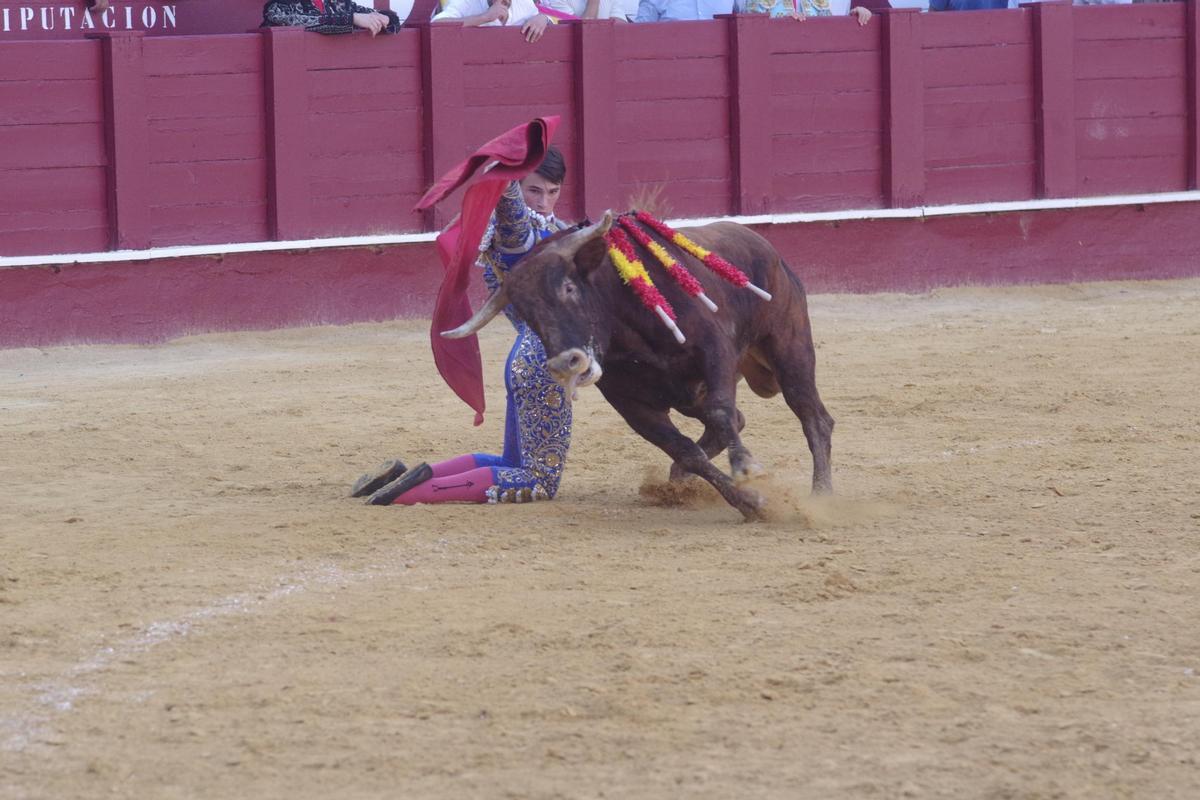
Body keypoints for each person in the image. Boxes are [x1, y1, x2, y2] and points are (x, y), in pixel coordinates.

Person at [354, 147, 575, 506]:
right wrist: (506, 174)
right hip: (546, 363)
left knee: (512, 463)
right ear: (516, 189)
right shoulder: (515, 232)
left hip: (529, 358)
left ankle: (402, 478)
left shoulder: (549, 229)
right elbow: (511, 209)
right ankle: (410, 494)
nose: (545, 202)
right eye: (534, 190)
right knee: (537, 481)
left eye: (553, 191)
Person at [432, 0, 555, 42]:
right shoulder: (467, 2)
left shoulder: (523, 3)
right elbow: (435, 25)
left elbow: (550, 22)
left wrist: (543, 18)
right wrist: (483, 18)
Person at [260, 0, 405, 35]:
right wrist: (352, 19)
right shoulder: (278, 7)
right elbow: (306, 22)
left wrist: (386, 18)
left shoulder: (336, 3)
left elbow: (376, 14)